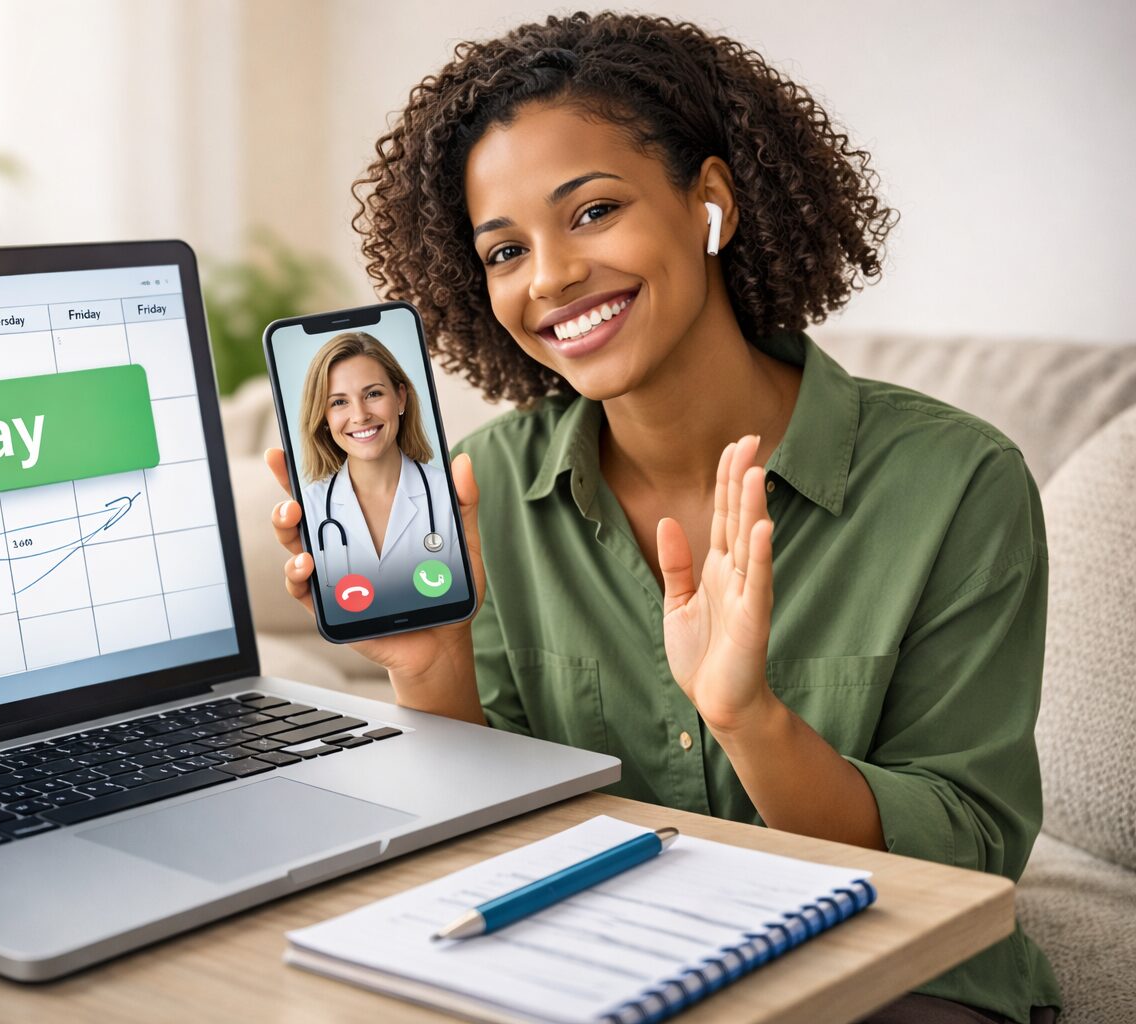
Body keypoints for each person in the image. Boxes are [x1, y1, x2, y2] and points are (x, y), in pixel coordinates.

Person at [264, 13, 1058, 1024]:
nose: (549, 276)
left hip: (889, 984)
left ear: (710, 201)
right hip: (597, 975)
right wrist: (431, 670)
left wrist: (751, 721)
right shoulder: (483, 488)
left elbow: (969, 854)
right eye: (505, 250)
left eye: (593, 211)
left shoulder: (954, 482)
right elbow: (491, 841)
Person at [295, 331, 455, 607]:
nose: (360, 415)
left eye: (373, 394)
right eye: (339, 402)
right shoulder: (310, 507)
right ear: (323, 417)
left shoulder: (446, 494)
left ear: (400, 398)